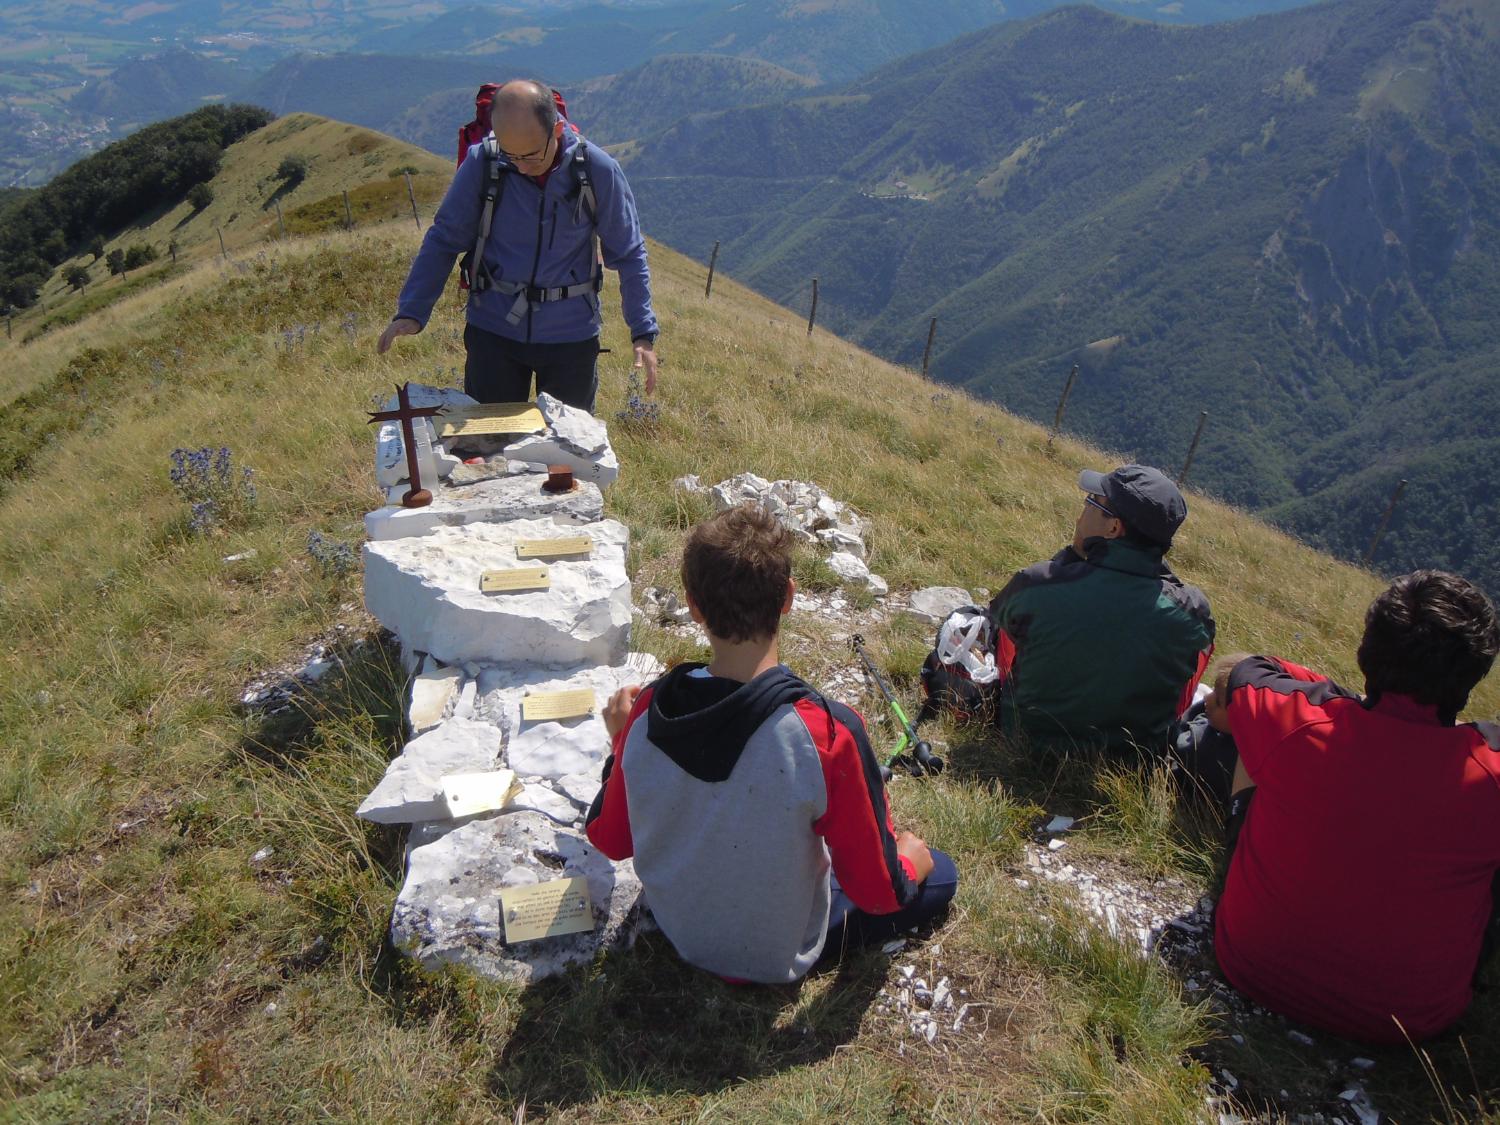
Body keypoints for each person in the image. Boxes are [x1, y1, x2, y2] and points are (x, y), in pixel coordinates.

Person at [586, 504, 959, 983]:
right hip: (776, 957)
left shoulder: (651, 708)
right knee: (939, 873)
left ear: (693, 606)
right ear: (788, 597)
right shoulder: (829, 733)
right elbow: (879, 894)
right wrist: (910, 860)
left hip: (679, 930)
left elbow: (610, 839)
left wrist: (620, 746)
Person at [1205, 570, 1500, 1044]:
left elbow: (1243, 669)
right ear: (1471, 678)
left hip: (1251, 964)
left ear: (1367, 650)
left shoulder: (1299, 722)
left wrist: (1341, 696)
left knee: (1254, 744)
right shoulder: (1490, 774)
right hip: (1411, 1022)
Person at [377, 79, 658, 414]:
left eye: (531, 155)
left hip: (570, 339)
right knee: (489, 450)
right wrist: (412, 311)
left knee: (565, 454)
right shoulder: (485, 162)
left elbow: (628, 254)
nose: (521, 165)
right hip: (493, 334)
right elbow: (444, 239)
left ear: (556, 130)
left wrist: (642, 333)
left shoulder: (596, 170)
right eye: (512, 156)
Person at [984, 464, 1215, 753]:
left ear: (1113, 527)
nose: (1081, 514)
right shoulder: (1191, 612)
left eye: (1091, 503)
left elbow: (998, 624)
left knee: (1015, 625)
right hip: (1131, 764)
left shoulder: (1038, 583)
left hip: (1027, 744)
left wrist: (1066, 564)